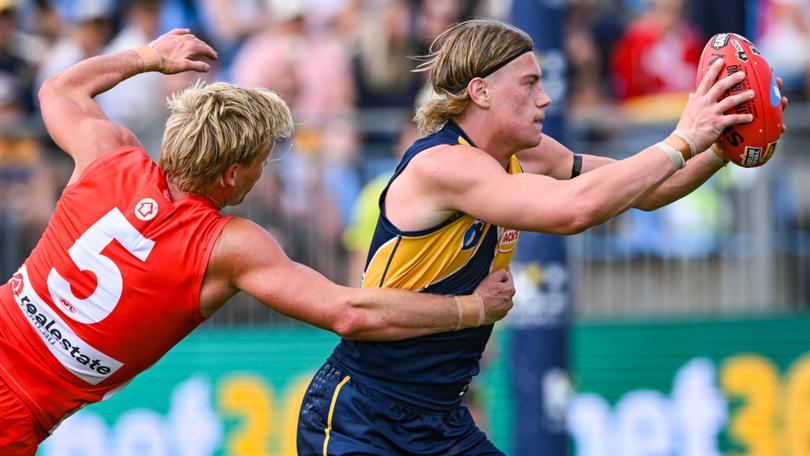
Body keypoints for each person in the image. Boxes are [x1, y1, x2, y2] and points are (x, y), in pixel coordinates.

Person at [0, 29, 516, 454]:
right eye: (262, 160)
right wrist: (470, 309)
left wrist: (151, 56)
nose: (264, 172)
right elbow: (350, 312)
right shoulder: (228, 245)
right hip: (15, 413)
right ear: (231, 175)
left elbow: (57, 91)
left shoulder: (108, 155)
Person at [297, 18, 785, 455]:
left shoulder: (530, 154)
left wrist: (724, 138)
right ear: (481, 91)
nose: (545, 99)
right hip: (361, 415)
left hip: (439, 419)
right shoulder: (443, 164)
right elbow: (574, 211)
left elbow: (648, 190)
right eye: (529, 84)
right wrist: (683, 138)